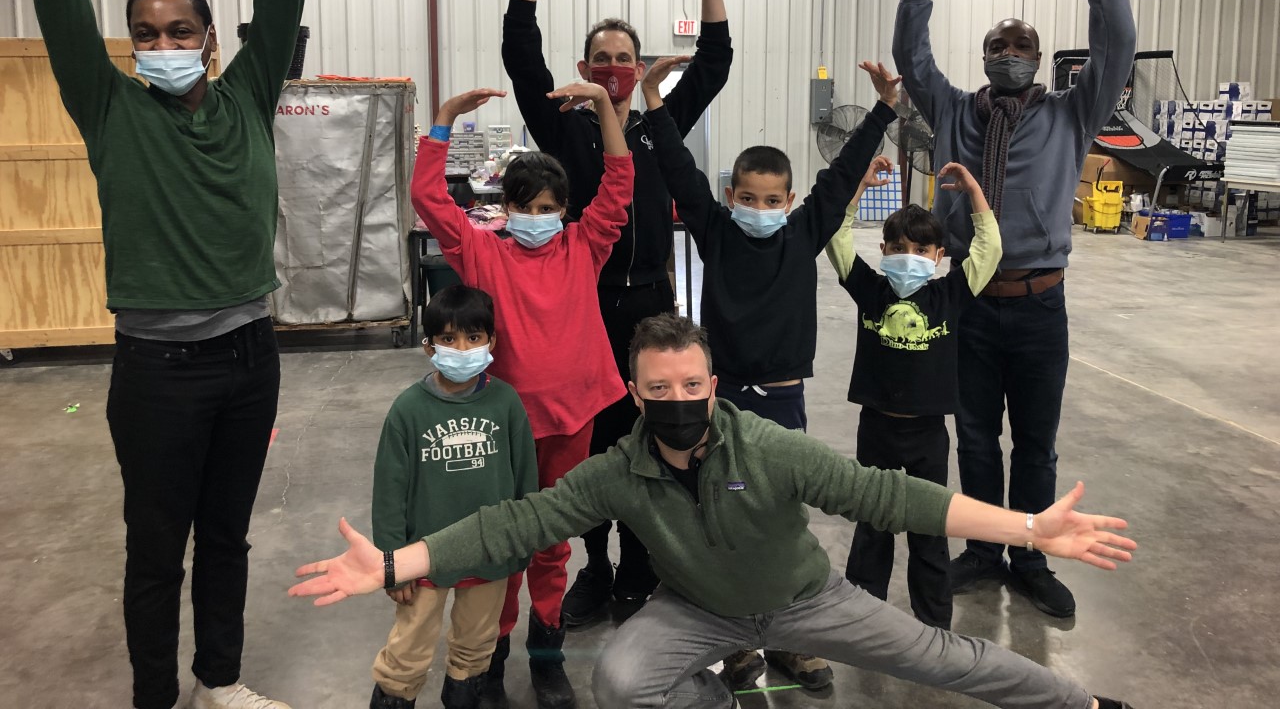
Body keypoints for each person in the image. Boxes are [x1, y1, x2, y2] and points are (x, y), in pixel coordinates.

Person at [289, 314, 1138, 709]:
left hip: (807, 598)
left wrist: (1028, 527)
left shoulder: (766, 447)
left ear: (712, 385)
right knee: (622, 682)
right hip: (696, 610)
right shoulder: (616, 472)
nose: (679, 399)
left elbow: (890, 494)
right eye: (659, 389)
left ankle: (1086, 707)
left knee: (946, 659)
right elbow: (515, 523)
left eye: (692, 386)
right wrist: (396, 564)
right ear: (635, 392)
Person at [30, 0, 305, 709]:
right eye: (145, 34)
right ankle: (156, 695)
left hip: (249, 356)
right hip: (155, 368)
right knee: (155, 548)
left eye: (180, 31)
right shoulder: (109, 109)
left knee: (225, 536)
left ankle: (219, 682)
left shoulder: (248, 95)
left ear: (212, 42)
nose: (162, 45)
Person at [893, 0, 1137, 620]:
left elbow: (1117, 43)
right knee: (972, 434)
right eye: (999, 42)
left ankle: (1032, 555)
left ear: (1039, 54)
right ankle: (984, 549)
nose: (1010, 49)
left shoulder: (1072, 112)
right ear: (984, 55)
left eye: (1022, 42)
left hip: (1038, 304)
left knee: (1034, 440)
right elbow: (913, 58)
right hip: (965, 298)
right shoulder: (951, 109)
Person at [638, 57, 900, 693]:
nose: (760, 208)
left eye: (772, 200)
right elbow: (677, 167)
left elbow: (840, 178)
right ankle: (734, 644)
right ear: (732, 198)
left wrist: (886, 108)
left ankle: (789, 639)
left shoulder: (804, 231)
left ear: (789, 201)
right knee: (722, 515)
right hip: (720, 405)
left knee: (782, 516)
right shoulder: (717, 232)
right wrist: (653, 100)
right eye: (748, 198)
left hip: (783, 399)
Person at [502, 0, 733, 627]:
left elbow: (717, 62)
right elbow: (520, 54)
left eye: (622, 58)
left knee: (649, 437)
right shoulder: (564, 123)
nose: (611, 69)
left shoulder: (659, 124)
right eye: (598, 59)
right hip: (582, 308)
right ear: (583, 70)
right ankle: (594, 568)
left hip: (652, 304)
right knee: (595, 445)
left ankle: (640, 569)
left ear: (639, 67)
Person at [411, 83, 631, 709]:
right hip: (504, 427)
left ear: (564, 209)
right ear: (503, 208)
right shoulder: (482, 252)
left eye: (548, 207)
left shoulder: (585, 247)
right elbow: (429, 197)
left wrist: (608, 111)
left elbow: (619, 184)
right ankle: (491, 654)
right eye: (524, 206)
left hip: (573, 417)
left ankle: (546, 653)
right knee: (505, 540)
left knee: (553, 542)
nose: (537, 217)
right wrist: (445, 121)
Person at [824, 157, 1002, 629]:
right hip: (876, 428)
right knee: (872, 525)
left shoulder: (950, 295)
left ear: (940, 256)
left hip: (928, 434)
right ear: (882, 249)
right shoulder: (871, 289)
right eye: (899, 247)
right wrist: (858, 186)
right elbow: (836, 239)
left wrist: (974, 193)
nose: (910, 256)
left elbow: (989, 249)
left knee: (929, 529)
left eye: (923, 249)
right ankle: (865, 619)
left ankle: (933, 624)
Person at [369, 285, 537, 709]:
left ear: (491, 341)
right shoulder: (408, 410)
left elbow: (525, 479)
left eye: (473, 338)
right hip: (421, 557)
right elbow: (389, 490)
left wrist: (522, 539)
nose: (461, 349)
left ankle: (464, 696)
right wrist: (393, 562)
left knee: (476, 644)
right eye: (448, 339)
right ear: (429, 347)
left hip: (489, 550)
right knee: (407, 651)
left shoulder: (506, 403)